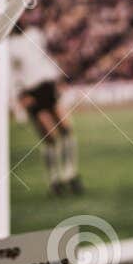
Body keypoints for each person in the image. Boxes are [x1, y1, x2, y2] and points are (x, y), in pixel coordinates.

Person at [10, 26, 81, 195]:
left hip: (48, 86)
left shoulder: (34, 33)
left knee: (66, 129)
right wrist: (19, 100)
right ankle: (54, 180)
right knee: (50, 137)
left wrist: (57, 79)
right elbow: (11, 74)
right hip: (30, 91)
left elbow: (46, 58)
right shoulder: (8, 45)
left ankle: (70, 174)